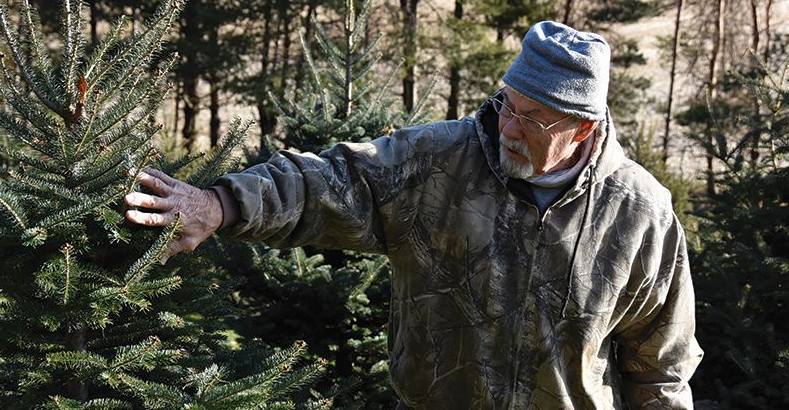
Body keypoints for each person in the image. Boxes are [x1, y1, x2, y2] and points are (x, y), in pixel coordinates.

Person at [125, 21, 703, 409]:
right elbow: (327, 179)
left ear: (585, 129)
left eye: (534, 121)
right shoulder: (438, 162)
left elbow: (662, 365)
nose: (507, 128)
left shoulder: (640, 214)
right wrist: (219, 205)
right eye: (506, 105)